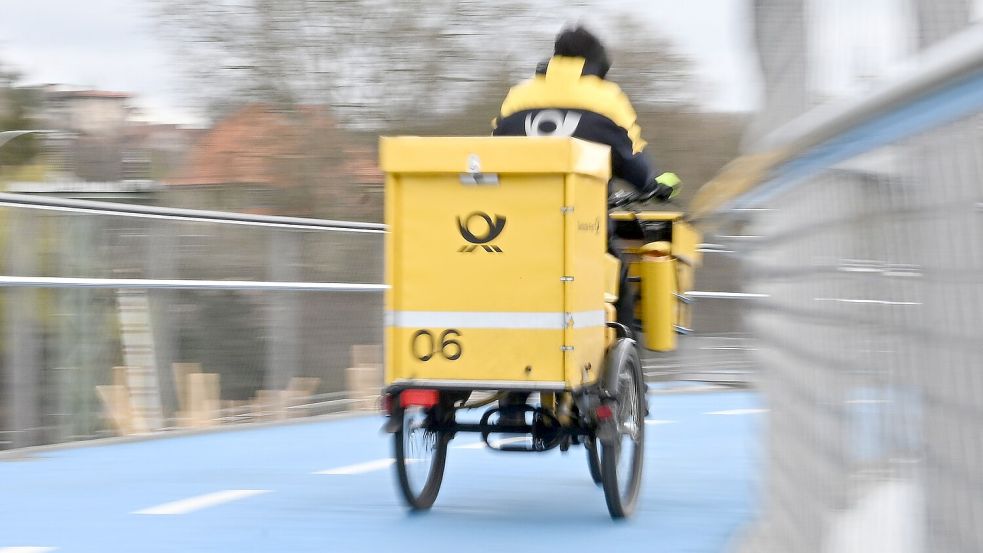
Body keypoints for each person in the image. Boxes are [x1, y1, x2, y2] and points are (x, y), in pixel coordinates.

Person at [492, 25, 680, 423]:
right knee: (622, 284)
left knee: (518, 290)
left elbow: (492, 153)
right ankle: (626, 390)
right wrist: (656, 184)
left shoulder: (518, 96)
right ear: (598, 65)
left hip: (513, 233)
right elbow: (635, 164)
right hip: (580, 233)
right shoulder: (606, 99)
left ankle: (512, 396)